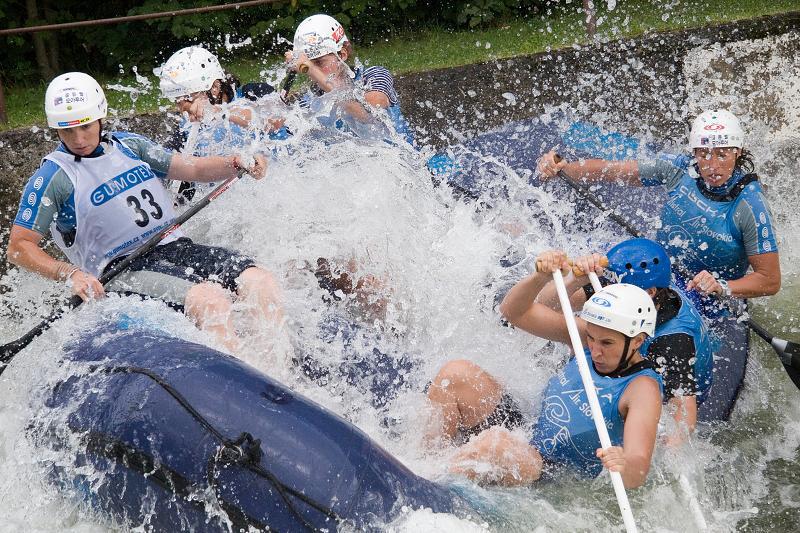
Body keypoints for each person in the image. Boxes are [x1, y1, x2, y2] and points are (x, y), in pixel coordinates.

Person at [7, 72, 280, 354]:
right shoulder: (53, 178)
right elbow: (18, 247)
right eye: (67, 131)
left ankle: (278, 376)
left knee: (260, 282)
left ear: (100, 116)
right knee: (210, 301)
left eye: (86, 126)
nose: (78, 138)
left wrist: (235, 163)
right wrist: (71, 274)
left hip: (173, 247)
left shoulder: (129, 146)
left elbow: (193, 168)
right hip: (121, 271)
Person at [426, 250, 663, 488]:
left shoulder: (642, 389)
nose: (596, 350)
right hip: (528, 439)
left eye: (607, 343)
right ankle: (424, 462)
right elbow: (514, 313)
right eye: (592, 338)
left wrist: (625, 465)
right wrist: (540, 278)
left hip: (555, 476)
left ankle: (431, 485)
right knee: (455, 374)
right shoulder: (586, 339)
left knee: (494, 445)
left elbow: (638, 467)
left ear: (638, 341)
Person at [536, 110, 780, 310]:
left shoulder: (750, 205)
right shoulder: (680, 168)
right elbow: (613, 170)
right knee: (555, 302)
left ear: (737, 152)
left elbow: (770, 280)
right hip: (656, 270)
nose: (713, 165)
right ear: (694, 153)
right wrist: (564, 169)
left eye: (722, 155)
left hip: (706, 297)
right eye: (704, 154)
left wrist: (721, 286)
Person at [566, 238, 712, 445]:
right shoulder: (625, 288)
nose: (613, 292)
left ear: (650, 293)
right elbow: (549, 305)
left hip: (681, 382)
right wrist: (574, 279)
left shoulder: (672, 342)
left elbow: (683, 418)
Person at [284, 14, 414, 145]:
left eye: (319, 62)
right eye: (309, 65)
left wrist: (311, 69)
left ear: (342, 55)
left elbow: (368, 115)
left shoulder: (374, 76)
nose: (314, 72)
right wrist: (276, 128)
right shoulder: (309, 101)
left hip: (401, 160)